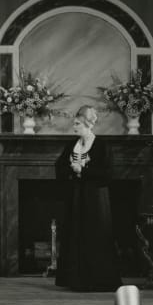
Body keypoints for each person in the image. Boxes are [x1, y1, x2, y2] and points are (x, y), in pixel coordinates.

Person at [54, 105, 122, 292]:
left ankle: (98, 280)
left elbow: (107, 173)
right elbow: (59, 166)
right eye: (74, 123)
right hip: (76, 196)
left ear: (87, 124)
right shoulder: (71, 145)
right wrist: (72, 170)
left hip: (95, 198)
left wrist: (83, 170)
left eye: (77, 123)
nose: (74, 127)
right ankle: (76, 280)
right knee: (76, 234)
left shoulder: (101, 146)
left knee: (95, 235)